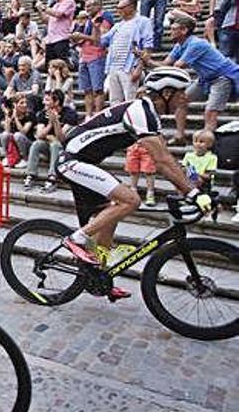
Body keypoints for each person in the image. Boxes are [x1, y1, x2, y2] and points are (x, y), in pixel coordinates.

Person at [56, 67, 210, 299]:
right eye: (180, 92)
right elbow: (161, 161)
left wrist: (193, 186)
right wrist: (194, 194)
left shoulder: (149, 114)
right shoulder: (139, 111)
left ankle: (101, 277)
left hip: (84, 161)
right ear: (165, 93)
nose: (185, 97)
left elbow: (166, 156)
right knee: (130, 200)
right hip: (72, 160)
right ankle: (75, 239)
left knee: (110, 216)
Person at [142, 11, 239, 144]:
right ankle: (180, 136)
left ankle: (206, 144)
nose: (170, 31)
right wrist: (147, 60)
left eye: (174, 29)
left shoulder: (196, 44)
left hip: (222, 77)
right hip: (205, 79)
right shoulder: (179, 45)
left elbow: (177, 66)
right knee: (181, 101)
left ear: (184, 30)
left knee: (210, 111)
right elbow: (165, 65)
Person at [95, 0, 154, 104]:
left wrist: (139, 67)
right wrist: (96, 28)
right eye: (118, 8)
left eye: (121, 7)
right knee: (114, 101)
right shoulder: (118, 26)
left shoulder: (143, 22)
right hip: (113, 66)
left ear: (131, 7)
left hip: (129, 67)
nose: (118, 10)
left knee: (130, 100)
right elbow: (100, 42)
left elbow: (148, 46)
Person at [26, 90, 78, 191]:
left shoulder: (70, 114)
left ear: (57, 102)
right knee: (36, 144)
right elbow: (39, 135)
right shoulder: (42, 113)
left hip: (66, 151)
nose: (43, 102)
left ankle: (52, 177)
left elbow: (62, 139)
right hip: (49, 147)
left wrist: (56, 122)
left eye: (47, 100)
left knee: (55, 144)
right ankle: (31, 175)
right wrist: (50, 124)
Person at [72, 0, 114, 117]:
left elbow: (101, 39)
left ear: (98, 6)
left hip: (97, 56)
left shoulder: (104, 16)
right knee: (87, 90)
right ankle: (88, 115)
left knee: (97, 90)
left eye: (90, 6)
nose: (87, 8)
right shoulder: (89, 19)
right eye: (86, 6)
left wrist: (81, 36)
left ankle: (97, 115)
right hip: (85, 56)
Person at [36, 0, 76, 65]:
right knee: (50, 65)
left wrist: (44, 7)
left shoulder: (69, 1)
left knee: (61, 64)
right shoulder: (55, 5)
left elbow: (58, 14)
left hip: (61, 38)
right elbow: (46, 20)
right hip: (51, 39)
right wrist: (39, 9)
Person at [125, 141, 159, 206]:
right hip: (133, 145)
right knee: (133, 171)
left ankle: (150, 194)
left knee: (149, 171)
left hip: (148, 146)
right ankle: (133, 192)